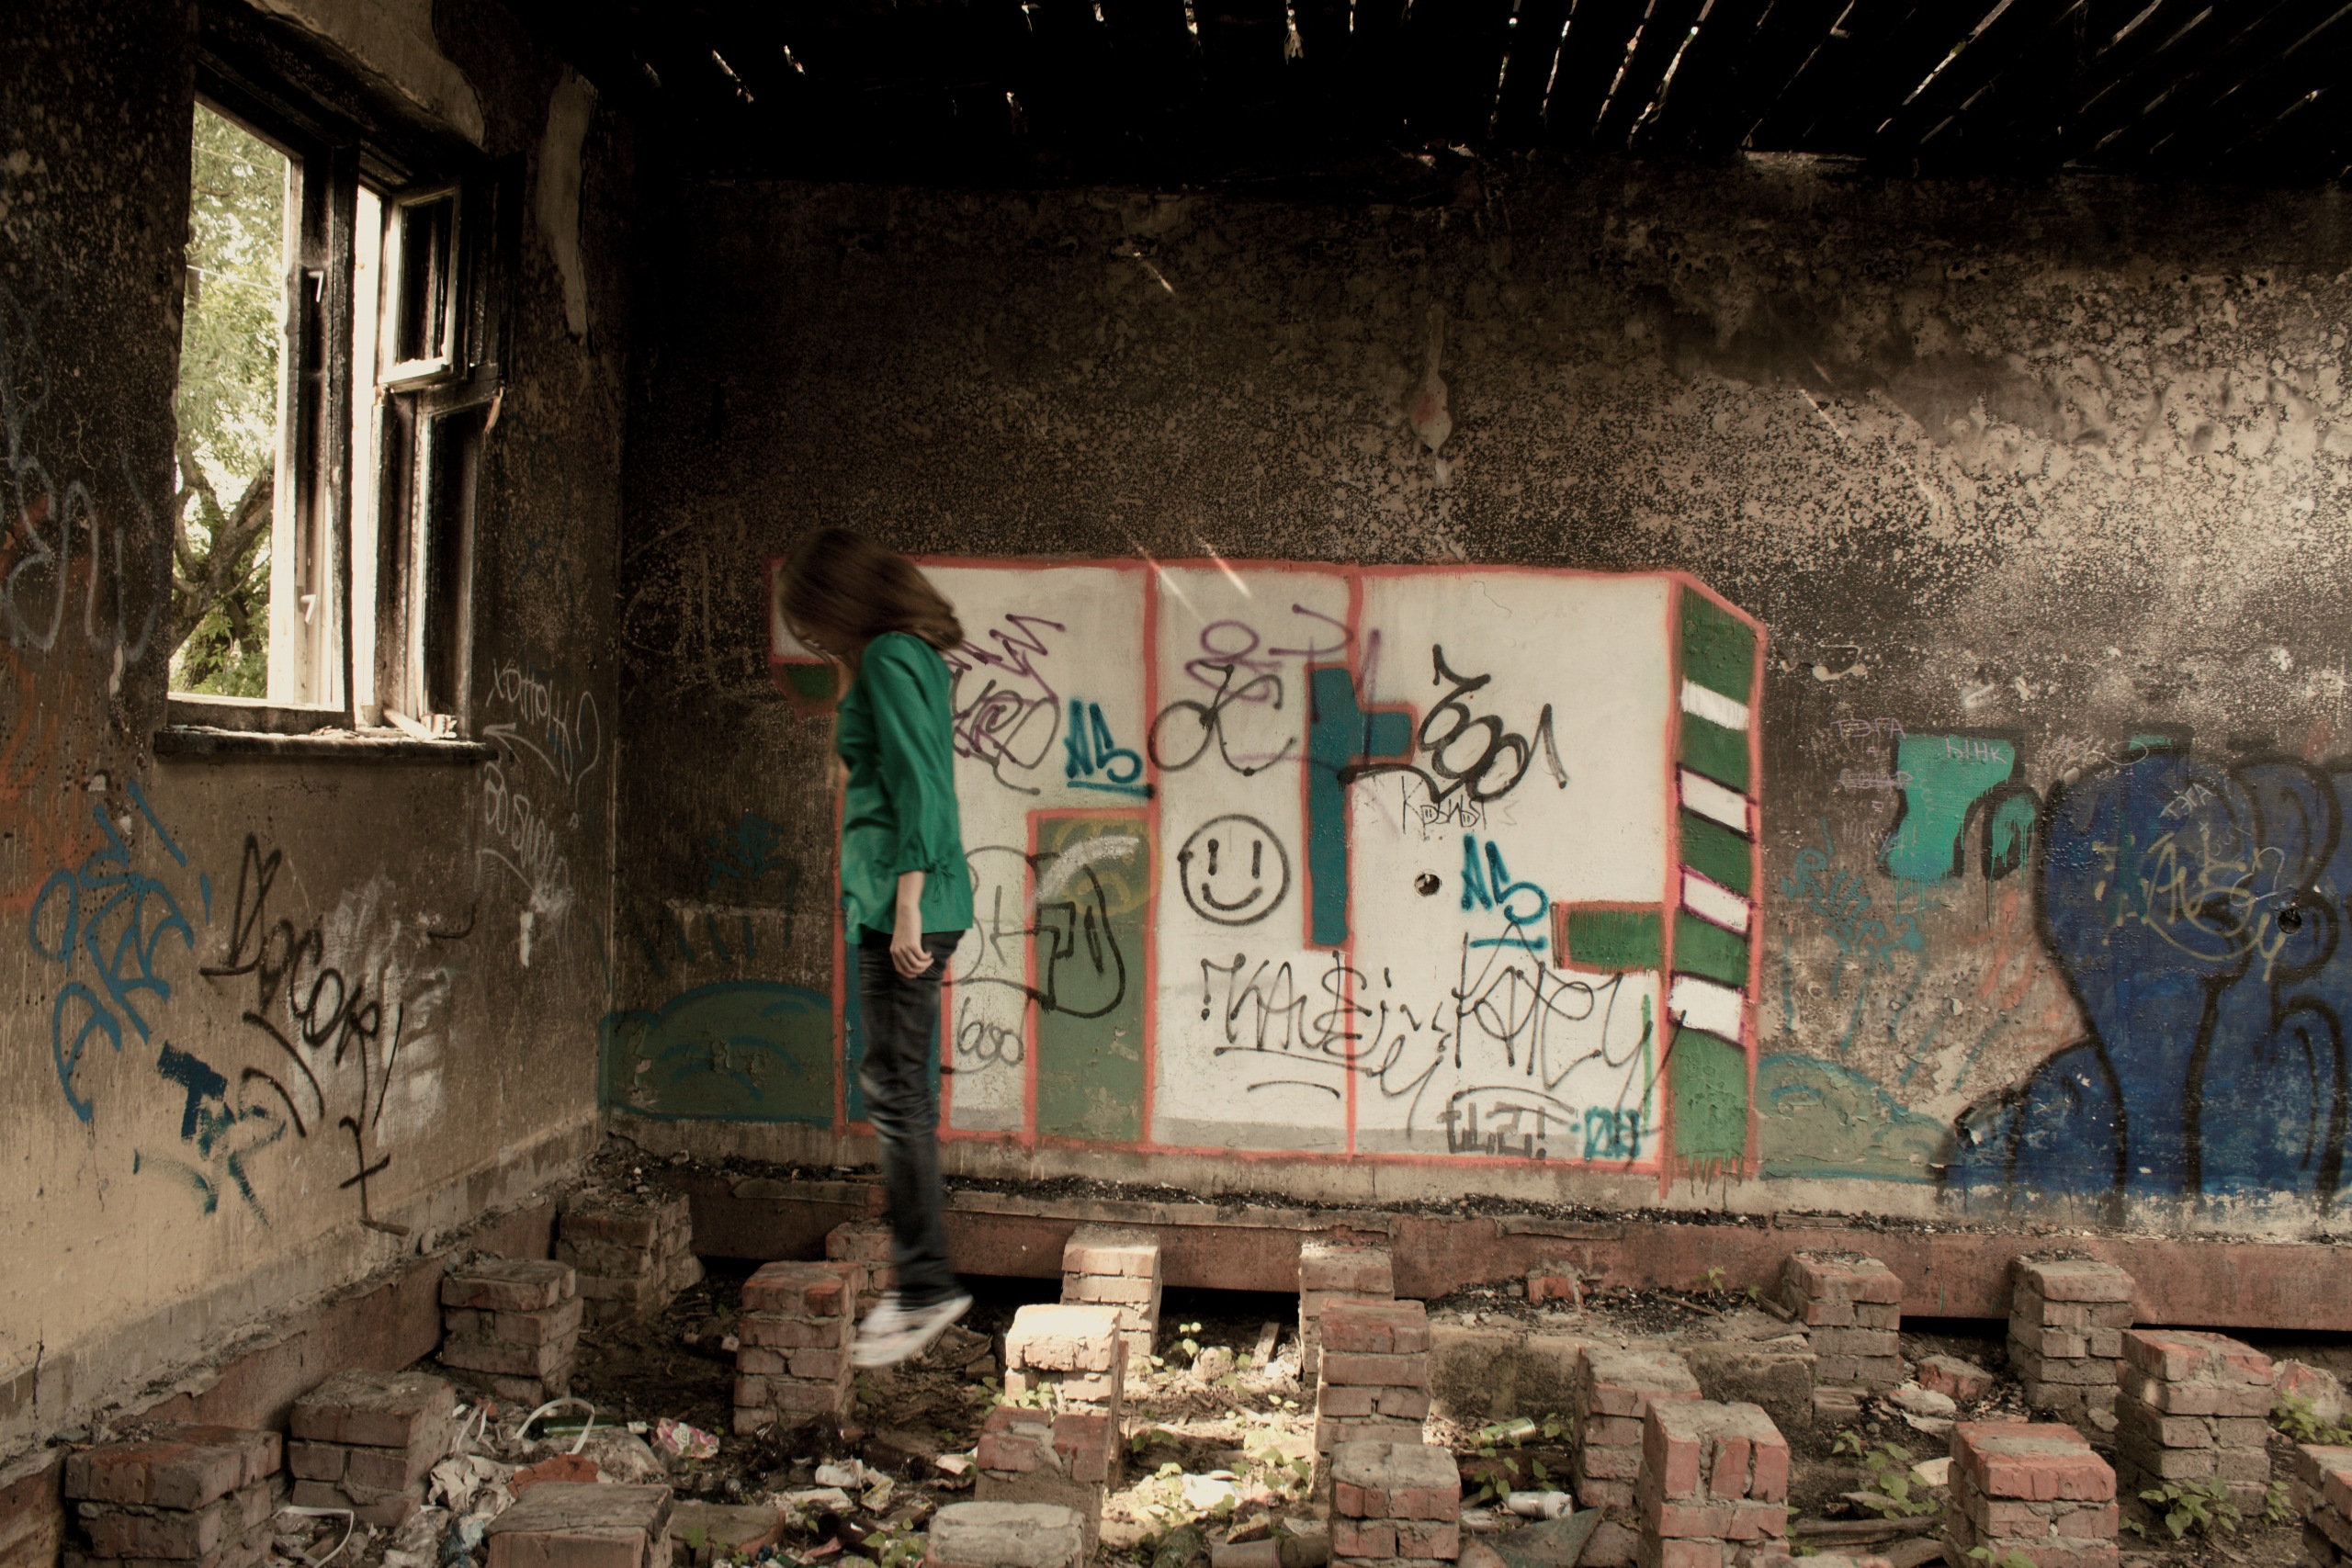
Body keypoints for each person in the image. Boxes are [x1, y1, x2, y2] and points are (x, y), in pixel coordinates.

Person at [776, 527, 975, 1368]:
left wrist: (907, 908)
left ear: (840, 600)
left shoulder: (893, 656)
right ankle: (922, 1281)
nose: (809, 635)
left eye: (812, 618)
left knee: (897, 1093)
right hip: (895, 904)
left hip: (906, 907)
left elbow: (921, 786)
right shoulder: (898, 655)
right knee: (896, 1088)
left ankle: (925, 1284)